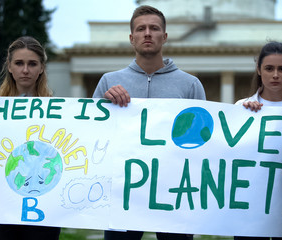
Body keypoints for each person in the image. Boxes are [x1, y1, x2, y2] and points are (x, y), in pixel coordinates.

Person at [92, 5, 205, 240]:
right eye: (141, 29)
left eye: (154, 29)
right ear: (132, 38)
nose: (147, 33)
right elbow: (92, 135)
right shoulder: (108, 82)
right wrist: (104, 105)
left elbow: (204, 141)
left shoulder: (190, 84)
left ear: (164, 37)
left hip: (174, 193)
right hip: (123, 192)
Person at [234, 41, 282, 240]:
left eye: (281, 69)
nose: (275, 75)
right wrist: (243, 115)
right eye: (269, 68)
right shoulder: (241, 108)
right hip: (250, 205)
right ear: (259, 70)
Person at [0, 36, 59, 240]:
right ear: (9, 66)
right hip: (0, 208)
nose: (25, 70)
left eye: (32, 64)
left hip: (45, 209)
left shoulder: (61, 113)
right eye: (19, 63)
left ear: (42, 68)